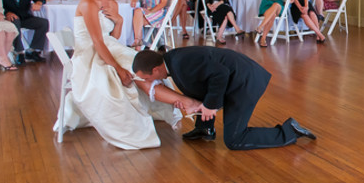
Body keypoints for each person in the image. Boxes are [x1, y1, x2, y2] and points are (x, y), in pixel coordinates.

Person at [55, 0, 187, 150]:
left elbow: (113, 39)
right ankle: (157, 115)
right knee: (127, 71)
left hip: (109, 47)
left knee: (143, 64)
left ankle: (175, 105)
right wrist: (116, 68)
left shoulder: (112, 3)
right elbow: (97, 41)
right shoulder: (89, 2)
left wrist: (119, 22)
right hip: (89, 54)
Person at [132, 47, 316, 149]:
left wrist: (211, 106)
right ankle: (205, 129)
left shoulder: (181, 64)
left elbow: (220, 74)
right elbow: (201, 83)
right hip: (238, 79)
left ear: (155, 70)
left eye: (147, 78)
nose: (149, 82)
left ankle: (290, 131)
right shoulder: (173, 61)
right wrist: (195, 105)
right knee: (197, 92)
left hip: (246, 83)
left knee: (235, 139)